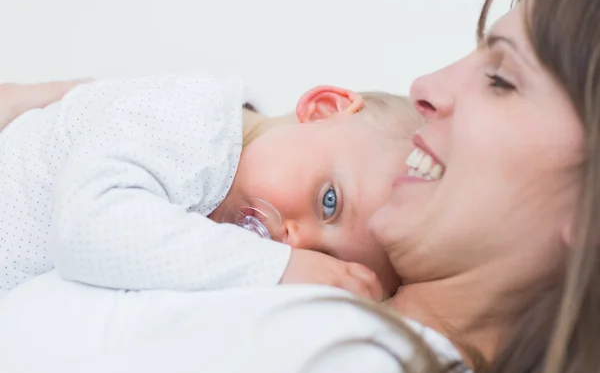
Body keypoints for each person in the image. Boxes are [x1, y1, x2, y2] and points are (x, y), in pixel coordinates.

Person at [1, 0, 598, 373]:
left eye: (501, 80)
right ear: (325, 107)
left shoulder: (358, 365)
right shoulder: (202, 145)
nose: (426, 87)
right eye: (330, 202)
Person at [0, 74, 420, 300]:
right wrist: (282, 270)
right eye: (328, 202)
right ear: (324, 109)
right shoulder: (193, 127)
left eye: (320, 256)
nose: (295, 241)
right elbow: (86, 230)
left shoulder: (213, 213)